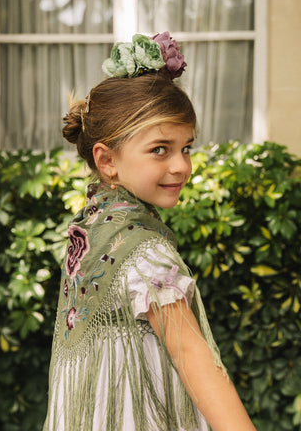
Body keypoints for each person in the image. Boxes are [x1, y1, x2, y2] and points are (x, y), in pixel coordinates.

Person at [43, 32, 256, 431]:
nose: (181, 166)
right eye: (160, 149)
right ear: (106, 160)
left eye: (186, 147)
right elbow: (198, 365)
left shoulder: (89, 233)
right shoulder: (143, 254)